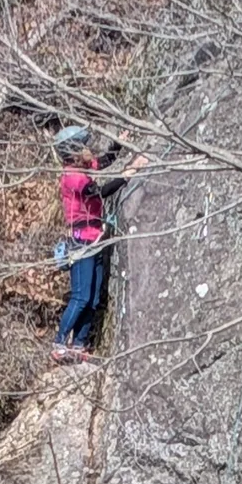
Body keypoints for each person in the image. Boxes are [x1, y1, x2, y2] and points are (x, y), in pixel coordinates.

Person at [51, 126, 148, 364]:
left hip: (93, 238)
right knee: (81, 296)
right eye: (82, 146)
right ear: (73, 152)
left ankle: (80, 344)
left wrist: (118, 142)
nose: (87, 150)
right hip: (82, 241)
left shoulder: (80, 168)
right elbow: (100, 192)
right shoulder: (73, 177)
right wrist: (130, 172)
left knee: (93, 297)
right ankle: (60, 342)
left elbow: (103, 162)